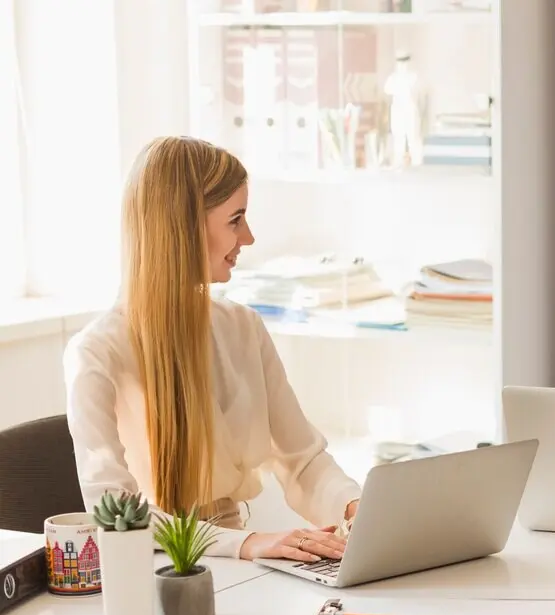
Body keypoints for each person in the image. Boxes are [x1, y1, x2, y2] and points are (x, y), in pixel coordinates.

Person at [64, 136, 361, 563]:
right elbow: (114, 514)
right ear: (182, 227)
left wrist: (356, 508)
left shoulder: (243, 327)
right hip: (156, 571)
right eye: (235, 219)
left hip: (238, 563)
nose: (250, 237)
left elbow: (303, 460)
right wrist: (244, 543)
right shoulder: (96, 353)